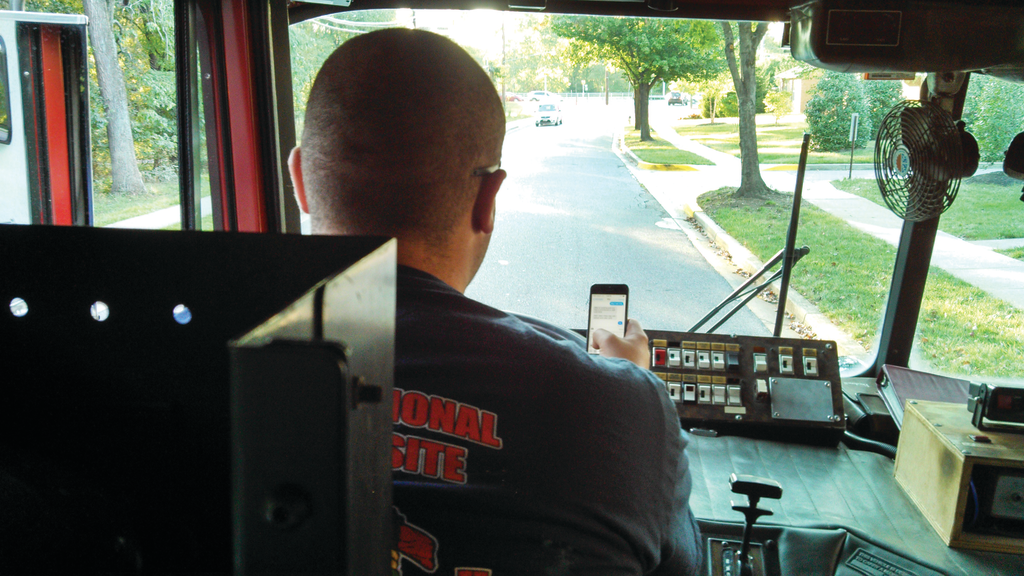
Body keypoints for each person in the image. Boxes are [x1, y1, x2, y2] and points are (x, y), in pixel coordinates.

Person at [288, 28, 702, 576]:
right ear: (489, 200)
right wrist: (627, 388)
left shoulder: (208, 374)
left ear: (301, 182)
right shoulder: (619, 408)